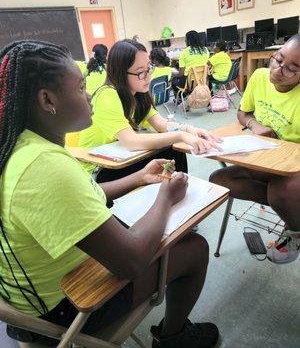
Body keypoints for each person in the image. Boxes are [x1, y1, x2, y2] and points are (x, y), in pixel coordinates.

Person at [0, 40, 220, 348]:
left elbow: (81, 198)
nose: (88, 94)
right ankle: (174, 338)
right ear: (47, 100)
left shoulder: (24, 148)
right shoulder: (44, 166)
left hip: (39, 294)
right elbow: (131, 261)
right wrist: (165, 198)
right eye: (79, 88)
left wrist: (140, 177)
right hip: (63, 307)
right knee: (194, 248)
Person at [209, 35, 300, 264]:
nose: (279, 70)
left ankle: (295, 231)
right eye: (278, 60)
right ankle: (290, 206)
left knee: (281, 190)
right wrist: (255, 125)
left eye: (292, 69)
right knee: (218, 180)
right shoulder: (260, 77)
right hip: (263, 157)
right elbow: (243, 113)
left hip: (294, 167)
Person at [79, 39, 221, 180]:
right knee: (172, 151)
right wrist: (181, 136)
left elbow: (161, 124)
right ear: (120, 73)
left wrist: (188, 129)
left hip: (122, 158)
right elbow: (131, 141)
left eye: (149, 68)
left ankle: (176, 190)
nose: (148, 76)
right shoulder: (108, 95)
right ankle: (173, 191)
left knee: (173, 151)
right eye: (141, 72)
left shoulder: (138, 94)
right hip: (99, 168)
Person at [172, 30, 210, 97]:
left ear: (188, 40)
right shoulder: (206, 50)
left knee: (174, 81)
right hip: (203, 81)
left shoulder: (185, 52)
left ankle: (181, 98)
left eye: (185, 39)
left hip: (189, 83)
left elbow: (181, 74)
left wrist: (173, 74)